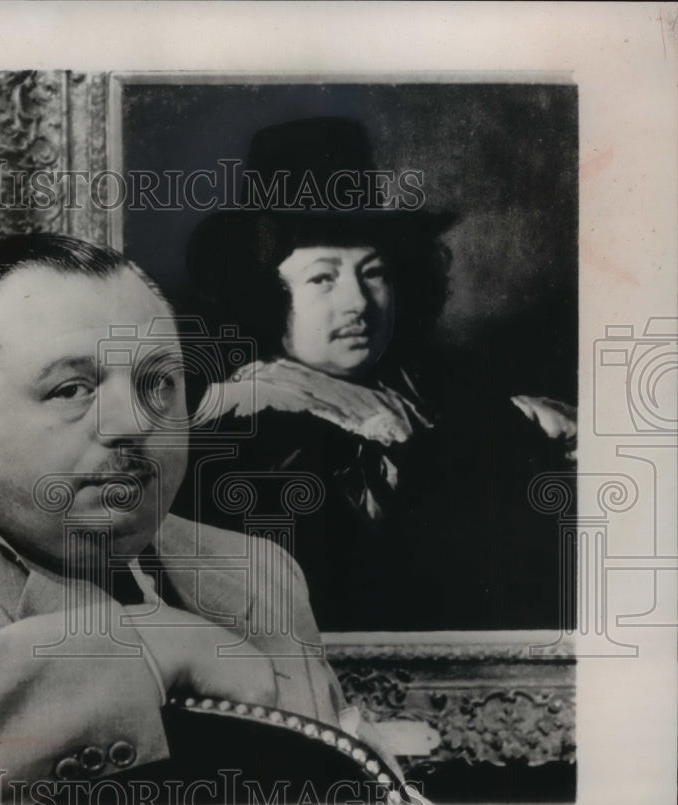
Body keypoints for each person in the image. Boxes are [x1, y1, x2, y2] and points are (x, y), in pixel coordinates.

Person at [0, 233, 367, 805]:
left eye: (157, 383)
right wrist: (143, 645)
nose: (130, 423)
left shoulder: (260, 576)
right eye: (72, 388)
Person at [175, 118, 577, 632]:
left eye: (374, 273)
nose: (357, 303)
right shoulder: (246, 432)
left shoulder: (432, 398)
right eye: (322, 278)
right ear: (263, 297)